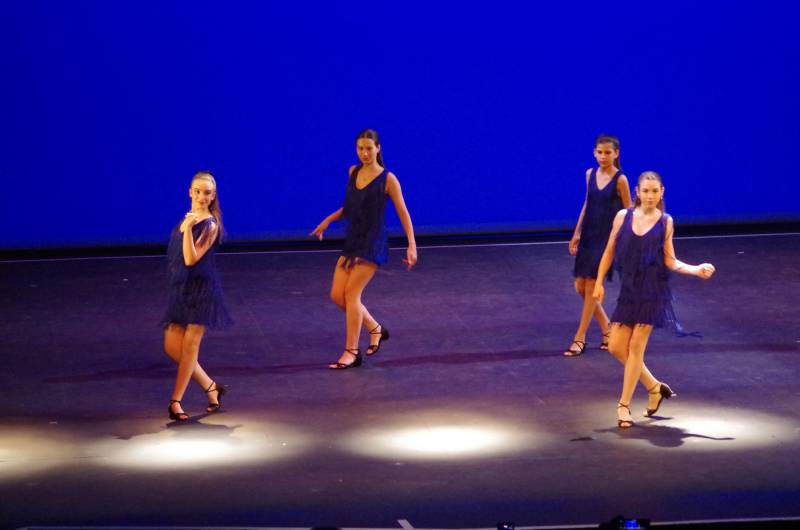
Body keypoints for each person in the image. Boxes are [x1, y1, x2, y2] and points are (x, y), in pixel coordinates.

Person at [593, 171, 715, 428]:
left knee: (636, 347)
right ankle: (654, 386)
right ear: (637, 192)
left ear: (662, 193)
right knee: (616, 347)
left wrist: (695, 269)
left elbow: (670, 260)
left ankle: (623, 405)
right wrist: (599, 282)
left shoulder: (666, 222)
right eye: (645, 191)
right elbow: (609, 251)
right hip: (629, 290)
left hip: (653, 290)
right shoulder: (622, 217)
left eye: (654, 191)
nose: (650, 196)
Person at [311, 129, 417, 369]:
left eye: (369, 148)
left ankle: (351, 352)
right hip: (353, 240)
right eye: (360, 148)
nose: (365, 153)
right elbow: (350, 207)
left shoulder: (388, 179)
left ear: (378, 148)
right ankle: (375, 328)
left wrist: (412, 245)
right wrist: (328, 220)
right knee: (337, 296)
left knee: (352, 295)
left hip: (372, 242)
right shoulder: (353, 172)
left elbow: (403, 213)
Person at [161, 171, 232, 421]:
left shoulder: (209, 224)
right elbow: (177, 258)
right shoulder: (186, 220)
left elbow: (191, 259)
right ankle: (212, 387)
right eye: (198, 191)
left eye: (207, 193)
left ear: (213, 197)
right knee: (172, 348)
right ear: (190, 192)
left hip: (202, 292)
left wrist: (190, 228)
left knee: (190, 348)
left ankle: (175, 401)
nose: (202, 197)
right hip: (182, 291)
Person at [565, 134, 632, 357]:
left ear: (616, 154)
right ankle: (607, 329)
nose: (603, 156)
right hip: (589, 237)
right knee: (580, 287)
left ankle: (579, 337)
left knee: (593, 286)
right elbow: (588, 203)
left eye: (608, 153)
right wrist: (576, 233)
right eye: (600, 152)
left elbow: (627, 212)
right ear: (594, 153)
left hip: (606, 239)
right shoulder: (589, 174)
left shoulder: (620, 179)